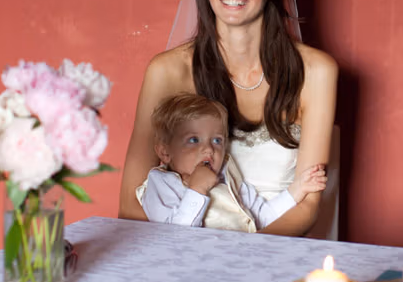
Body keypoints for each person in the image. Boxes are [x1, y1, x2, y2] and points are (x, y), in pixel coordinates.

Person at [119, 0, 338, 236]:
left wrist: (239, 261)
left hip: (273, 246)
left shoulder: (316, 72)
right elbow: (130, 205)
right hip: (176, 250)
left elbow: (307, 205)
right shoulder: (167, 71)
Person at [137, 93, 327, 231]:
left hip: (243, 256)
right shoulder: (161, 182)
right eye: (193, 140)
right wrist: (197, 190)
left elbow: (261, 216)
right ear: (165, 152)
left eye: (217, 140)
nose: (209, 149)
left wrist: (296, 190)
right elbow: (172, 237)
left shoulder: (228, 176)